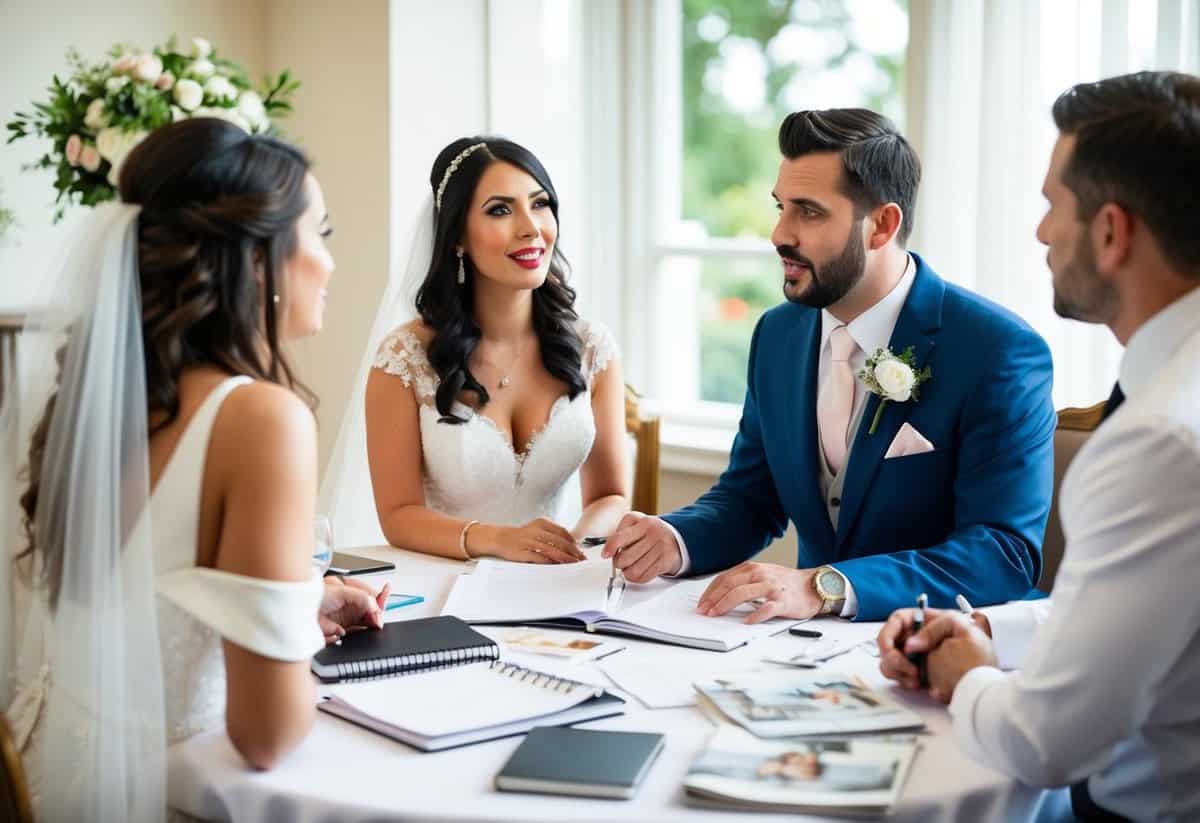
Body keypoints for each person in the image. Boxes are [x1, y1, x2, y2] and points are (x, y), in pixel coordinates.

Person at [4, 118, 387, 821]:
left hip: (57, 774)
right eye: (320, 235)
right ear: (259, 258)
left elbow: (148, 595)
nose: (332, 263)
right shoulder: (262, 420)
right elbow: (266, 735)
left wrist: (301, 599)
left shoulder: (101, 396)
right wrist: (293, 642)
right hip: (167, 797)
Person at [877, 71, 1200, 822]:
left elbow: (1044, 742)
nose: (1042, 231)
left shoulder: (1158, 440)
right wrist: (993, 627)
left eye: (1055, 204)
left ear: (1113, 232)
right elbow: (1151, 605)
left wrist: (967, 673)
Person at [603, 108, 1056, 621]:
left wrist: (826, 587)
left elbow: (1002, 553)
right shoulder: (778, 335)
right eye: (780, 207)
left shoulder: (997, 351)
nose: (779, 233)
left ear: (882, 225)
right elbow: (752, 498)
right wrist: (676, 538)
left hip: (946, 651)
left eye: (809, 212)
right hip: (799, 656)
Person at [322, 137, 629, 562]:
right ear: (457, 237)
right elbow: (398, 515)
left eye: (540, 204)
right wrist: (497, 540)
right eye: (500, 210)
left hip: (556, 580)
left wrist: (570, 544)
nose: (531, 227)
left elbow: (610, 496)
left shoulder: (591, 347)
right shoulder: (405, 358)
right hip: (444, 583)